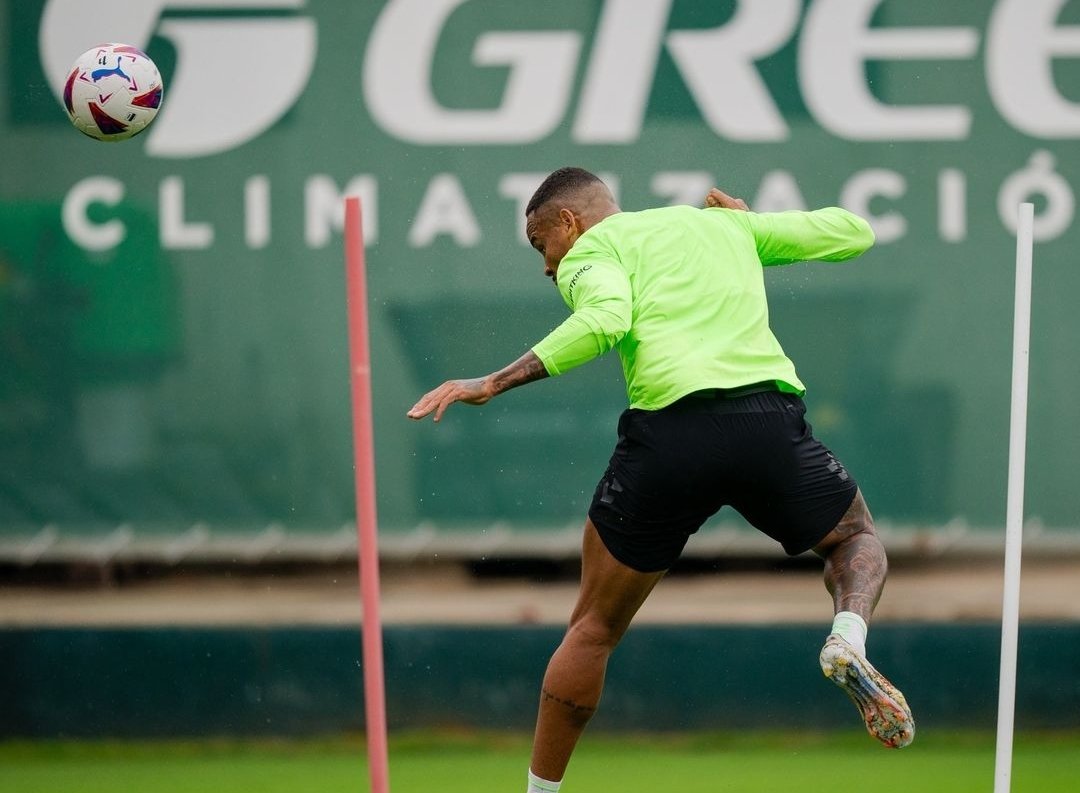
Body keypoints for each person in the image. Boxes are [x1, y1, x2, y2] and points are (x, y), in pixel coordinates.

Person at [407, 167, 915, 792]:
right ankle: (847, 635)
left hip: (671, 436)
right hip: (765, 422)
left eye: (543, 245)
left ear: (570, 221)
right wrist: (746, 222)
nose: (547, 267)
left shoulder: (591, 251)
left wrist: (492, 382)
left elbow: (604, 322)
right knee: (854, 538)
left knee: (593, 627)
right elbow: (853, 231)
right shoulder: (722, 227)